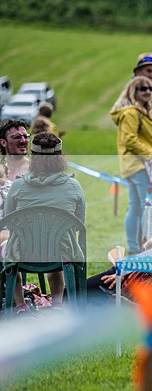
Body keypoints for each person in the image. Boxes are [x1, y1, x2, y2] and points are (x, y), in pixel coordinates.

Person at [4, 133, 85, 313]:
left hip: (22, 253)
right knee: (57, 244)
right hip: (62, 254)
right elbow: (80, 222)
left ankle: (20, 306)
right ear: (59, 158)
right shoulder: (73, 186)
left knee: (5, 249)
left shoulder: (17, 186)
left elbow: (8, 218)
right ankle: (57, 304)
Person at [111, 76, 152, 255]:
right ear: (134, 92)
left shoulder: (139, 112)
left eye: (149, 88)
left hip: (135, 165)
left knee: (137, 206)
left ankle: (136, 248)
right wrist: (150, 156)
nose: (147, 91)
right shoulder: (131, 113)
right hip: (140, 165)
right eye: (142, 88)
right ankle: (146, 248)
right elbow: (130, 139)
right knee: (148, 206)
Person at [87, 235, 152, 307]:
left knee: (82, 295)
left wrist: (124, 302)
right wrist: (122, 274)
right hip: (118, 286)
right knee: (79, 287)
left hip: (126, 305)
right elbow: (113, 253)